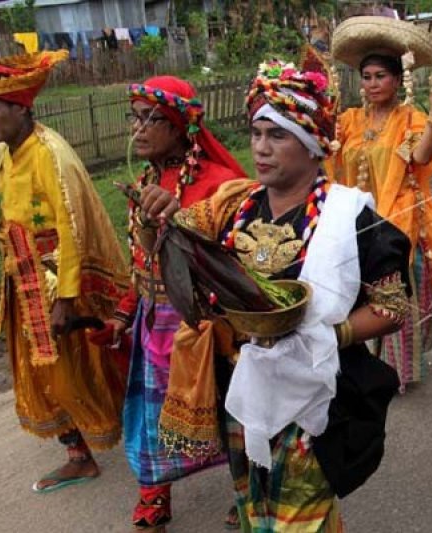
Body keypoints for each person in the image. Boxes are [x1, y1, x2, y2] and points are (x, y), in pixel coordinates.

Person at [140, 58, 411, 532]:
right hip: (242, 389)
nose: (261, 149)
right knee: (255, 511)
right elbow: (175, 262)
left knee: (299, 519)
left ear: (312, 145)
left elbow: (393, 307)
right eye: (256, 134)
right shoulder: (232, 206)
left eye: (278, 136)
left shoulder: (350, 218)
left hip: (315, 394)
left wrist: (331, 332)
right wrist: (155, 222)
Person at [0, 51, 129, 492]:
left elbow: (74, 229)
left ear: (20, 106)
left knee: (81, 369)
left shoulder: (50, 154)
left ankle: (141, 439)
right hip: (21, 279)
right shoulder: (5, 153)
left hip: (58, 285)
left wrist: (66, 299)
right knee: (39, 371)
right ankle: (77, 453)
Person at [106, 75, 247, 530]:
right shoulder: (146, 180)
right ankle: (153, 496)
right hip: (154, 320)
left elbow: (234, 263)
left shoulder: (220, 184)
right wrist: (127, 309)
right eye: (136, 118)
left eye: (152, 120)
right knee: (149, 412)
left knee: (227, 408)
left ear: (182, 127)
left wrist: (181, 220)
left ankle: (247, 490)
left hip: (201, 323)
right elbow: (140, 257)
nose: (138, 129)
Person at [329, 16, 432, 390]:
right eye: (366, 77)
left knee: (397, 293)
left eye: (380, 76)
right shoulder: (349, 119)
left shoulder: (409, 118)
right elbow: (328, 152)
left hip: (399, 222)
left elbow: (420, 156)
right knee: (354, 292)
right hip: (355, 224)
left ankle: (401, 371)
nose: (371, 84)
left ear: (398, 80)